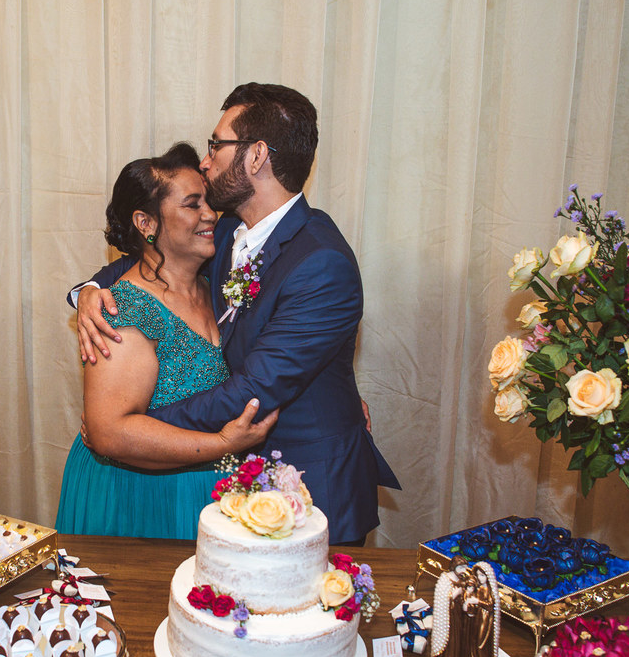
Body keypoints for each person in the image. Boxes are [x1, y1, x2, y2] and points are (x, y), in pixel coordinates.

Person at [73, 83, 399, 545]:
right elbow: (150, 253)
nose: (206, 162)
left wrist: (129, 428)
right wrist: (90, 289)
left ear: (255, 156)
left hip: (312, 492)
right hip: (233, 488)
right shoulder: (227, 232)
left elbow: (253, 390)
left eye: (216, 145)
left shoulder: (320, 261)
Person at [56, 143, 277, 539]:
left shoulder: (216, 288)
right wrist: (223, 443)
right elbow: (110, 433)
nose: (211, 214)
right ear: (146, 223)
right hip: (139, 496)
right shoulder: (119, 309)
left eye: (209, 202)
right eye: (193, 205)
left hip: (210, 493)